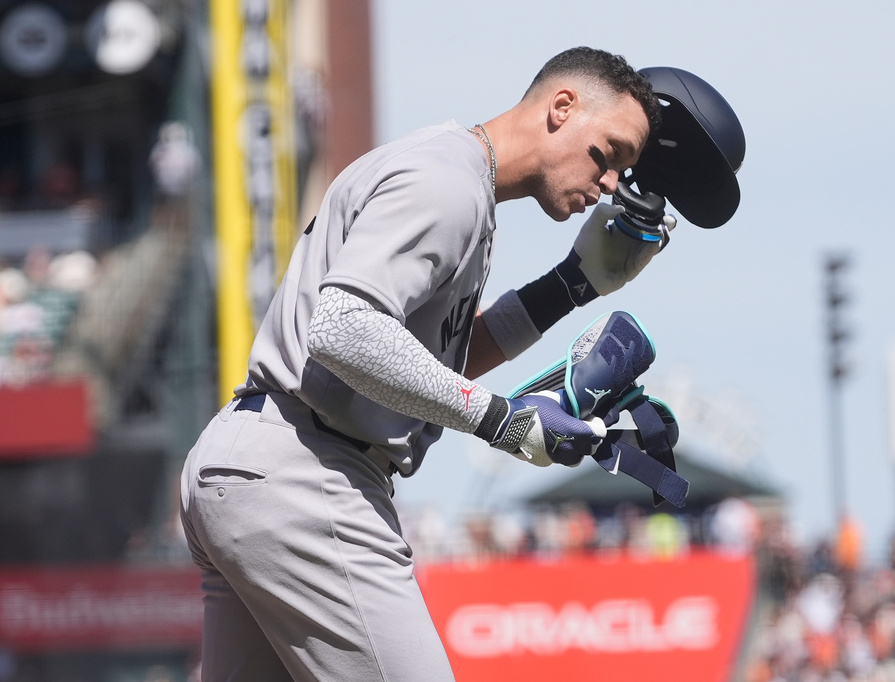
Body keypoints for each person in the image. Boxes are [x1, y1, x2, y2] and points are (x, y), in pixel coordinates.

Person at [180, 46, 673, 681]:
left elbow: (433, 355)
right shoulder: (449, 183)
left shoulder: (456, 175)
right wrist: (503, 420)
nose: (610, 184)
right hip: (307, 472)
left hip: (252, 463)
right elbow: (345, 330)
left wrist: (572, 285)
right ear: (560, 107)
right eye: (608, 155)